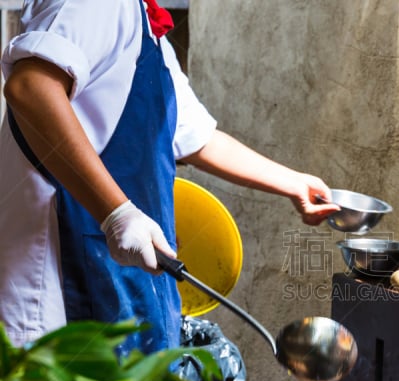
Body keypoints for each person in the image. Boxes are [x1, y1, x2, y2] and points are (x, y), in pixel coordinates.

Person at [0, 0, 339, 355]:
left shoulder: (147, 30)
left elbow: (193, 136)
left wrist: (293, 182)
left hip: (112, 265)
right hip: (60, 267)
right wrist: (117, 215)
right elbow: (31, 88)